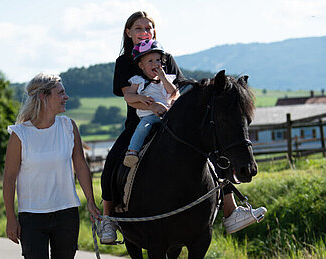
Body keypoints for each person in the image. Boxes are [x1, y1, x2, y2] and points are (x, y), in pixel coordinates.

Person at [100, 11, 266, 244]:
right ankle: (108, 219)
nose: (144, 31)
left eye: (149, 28)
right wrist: (152, 104)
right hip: (140, 122)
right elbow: (128, 94)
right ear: (128, 33)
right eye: (138, 28)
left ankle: (231, 211)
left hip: (171, 120)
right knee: (113, 161)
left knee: (211, 154)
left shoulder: (164, 57)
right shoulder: (125, 62)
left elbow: (179, 89)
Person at [3, 73, 101, 259]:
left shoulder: (68, 127)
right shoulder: (20, 135)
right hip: (32, 217)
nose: (66, 97)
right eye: (61, 93)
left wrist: (90, 200)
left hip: (67, 213)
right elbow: (9, 179)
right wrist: (11, 218)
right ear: (43, 96)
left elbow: (80, 165)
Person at [123, 39, 178, 167]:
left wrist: (163, 78)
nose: (156, 64)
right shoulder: (138, 81)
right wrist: (140, 98)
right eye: (150, 61)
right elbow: (128, 97)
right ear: (141, 66)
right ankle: (132, 151)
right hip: (149, 116)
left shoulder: (166, 79)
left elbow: (174, 93)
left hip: (168, 115)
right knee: (143, 127)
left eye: (158, 60)